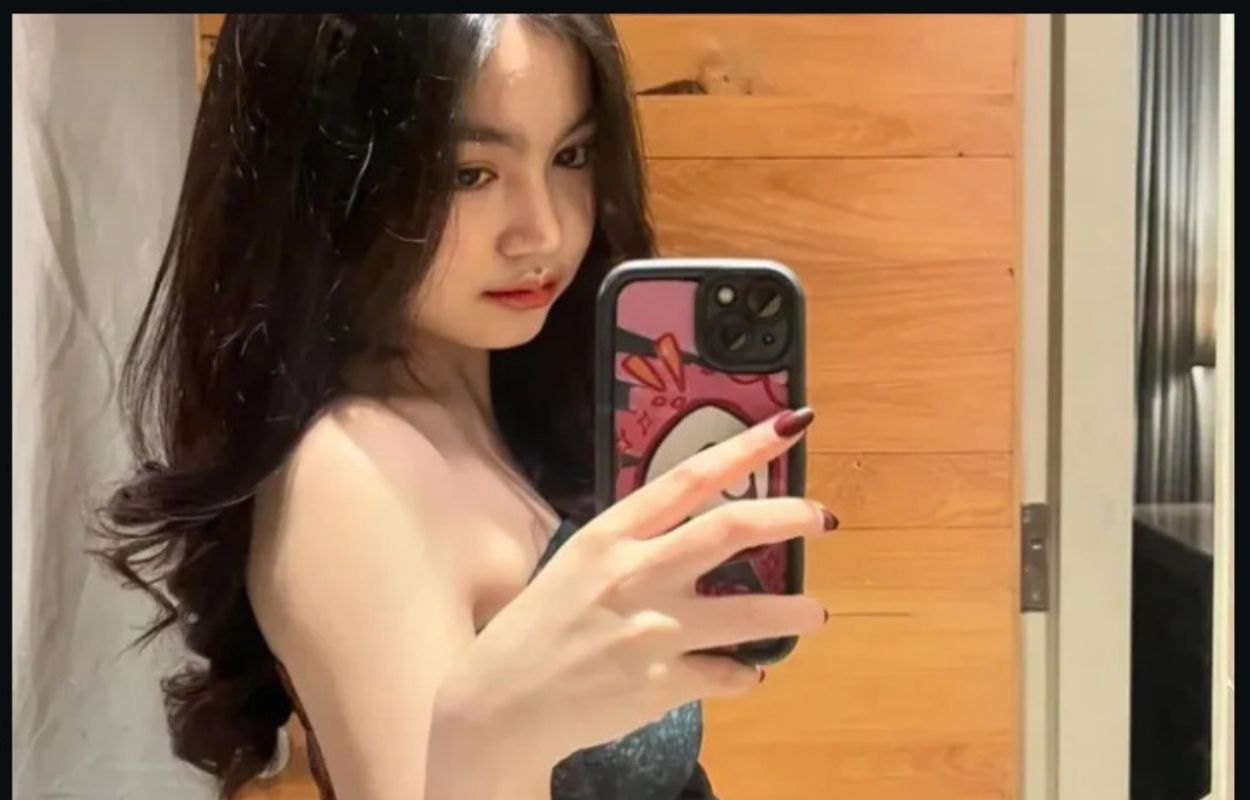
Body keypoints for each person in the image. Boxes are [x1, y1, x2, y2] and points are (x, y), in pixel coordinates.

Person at [96, 14, 836, 800]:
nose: (542, 230)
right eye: (470, 173)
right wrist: (492, 734)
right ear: (327, 176)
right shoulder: (350, 477)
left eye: (571, 156)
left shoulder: (516, 400)